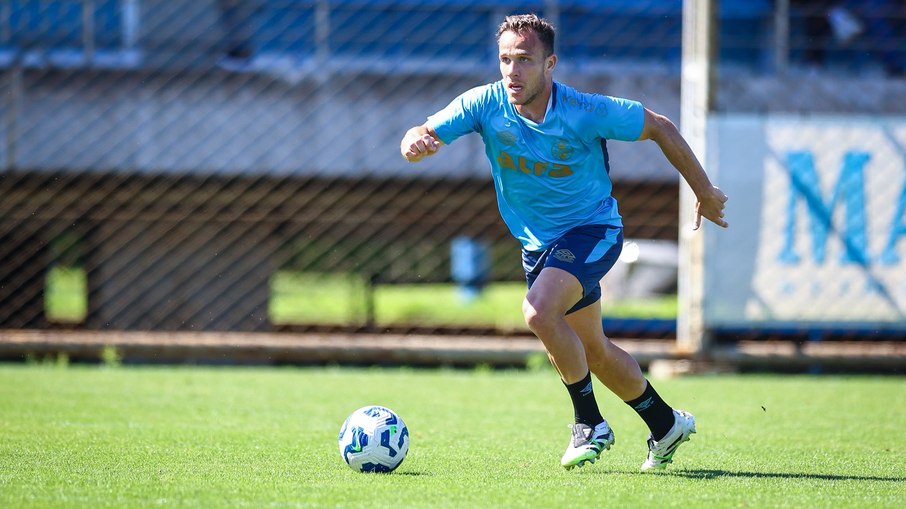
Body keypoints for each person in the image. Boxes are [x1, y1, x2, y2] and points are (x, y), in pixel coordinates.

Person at [400, 14, 728, 471]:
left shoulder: (583, 110)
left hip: (594, 231)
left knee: (538, 311)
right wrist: (416, 143)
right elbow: (422, 132)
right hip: (539, 246)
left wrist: (704, 190)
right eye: (505, 60)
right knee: (592, 350)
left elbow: (660, 126)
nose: (512, 71)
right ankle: (665, 422)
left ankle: (589, 423)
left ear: (549, 63)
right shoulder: (484, 103)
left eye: (525, 60)